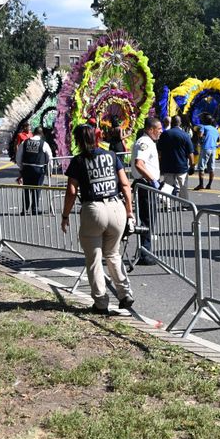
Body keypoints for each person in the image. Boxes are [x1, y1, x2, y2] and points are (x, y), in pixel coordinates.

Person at [60, 124, 135, 313]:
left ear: (78, 141)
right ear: (96, 138)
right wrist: (129, 211)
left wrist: (65, 215)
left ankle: (101, 303)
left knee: (94, 258)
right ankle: (125, 293)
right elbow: (125, 185)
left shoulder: (78, 161)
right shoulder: (111, 156)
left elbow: (71, 191)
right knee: (113, 253)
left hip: (94, 209)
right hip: (116, 207)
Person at [130, 117, 163, 263]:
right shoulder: (144, 142)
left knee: (149, 218)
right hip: (145, 184)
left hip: (146, 184)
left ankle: (145, 251)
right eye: (159, 129)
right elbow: (139, 164)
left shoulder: (148, 142)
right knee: (147, 219)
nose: (161, 131)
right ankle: (145, 253)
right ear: (150, 129)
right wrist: (152, 180)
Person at [15, 126, 53, 214]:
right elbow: (50, 158)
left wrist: (21, 167)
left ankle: (25, 209)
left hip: (27, 168)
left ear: (33, 133)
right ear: (41, 134)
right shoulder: (44, 144)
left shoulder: (25, 142)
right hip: (39, 169)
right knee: (37, 188)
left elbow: (18, 157)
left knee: (26, 189)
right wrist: (49, 170)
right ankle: (34, 209)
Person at [157, 115, 193, 200]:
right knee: (183, 186)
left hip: (167, 165)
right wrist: (192, 165)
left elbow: (159, 151)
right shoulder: (185, 135)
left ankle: (166, 203)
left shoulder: (165, 134)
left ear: (171, 123)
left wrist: (160, 163)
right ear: (180, 123)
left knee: (167, 186)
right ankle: (184, 204)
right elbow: (190, 152)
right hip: (181, 166)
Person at [194, 113, 220, 190]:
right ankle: (209, 185)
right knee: (211, 168)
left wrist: (200, 138)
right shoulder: (215, 129)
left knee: (201, 167)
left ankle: (201, 184)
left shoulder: (203, 127)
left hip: (205, 148)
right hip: (213, 149)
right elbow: (218, 140)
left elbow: (200, 135)